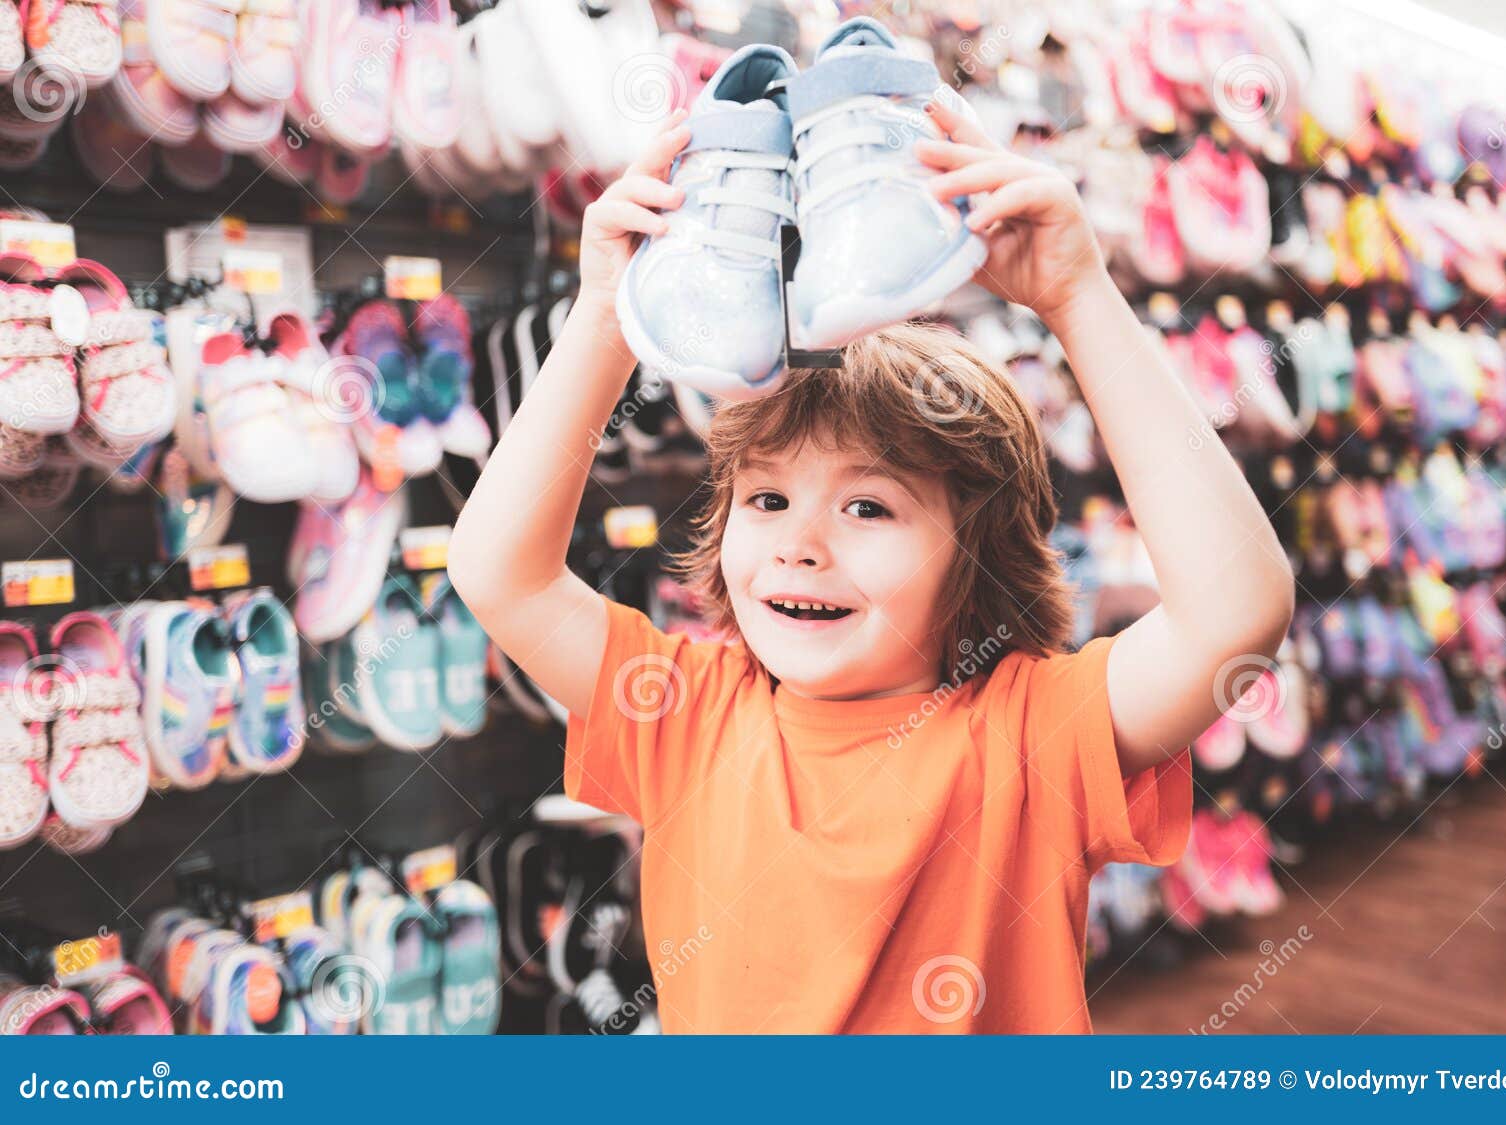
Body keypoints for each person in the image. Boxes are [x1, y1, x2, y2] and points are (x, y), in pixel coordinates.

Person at [449, 99, 1294, 1033]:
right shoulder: (684, 711)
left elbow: (1236, 615)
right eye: (765, 499)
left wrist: (1077, 294)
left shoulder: (1029, 736)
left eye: (867, 506)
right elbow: (500, 571)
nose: (798, 543)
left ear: (978, 557)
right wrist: (607, 314)